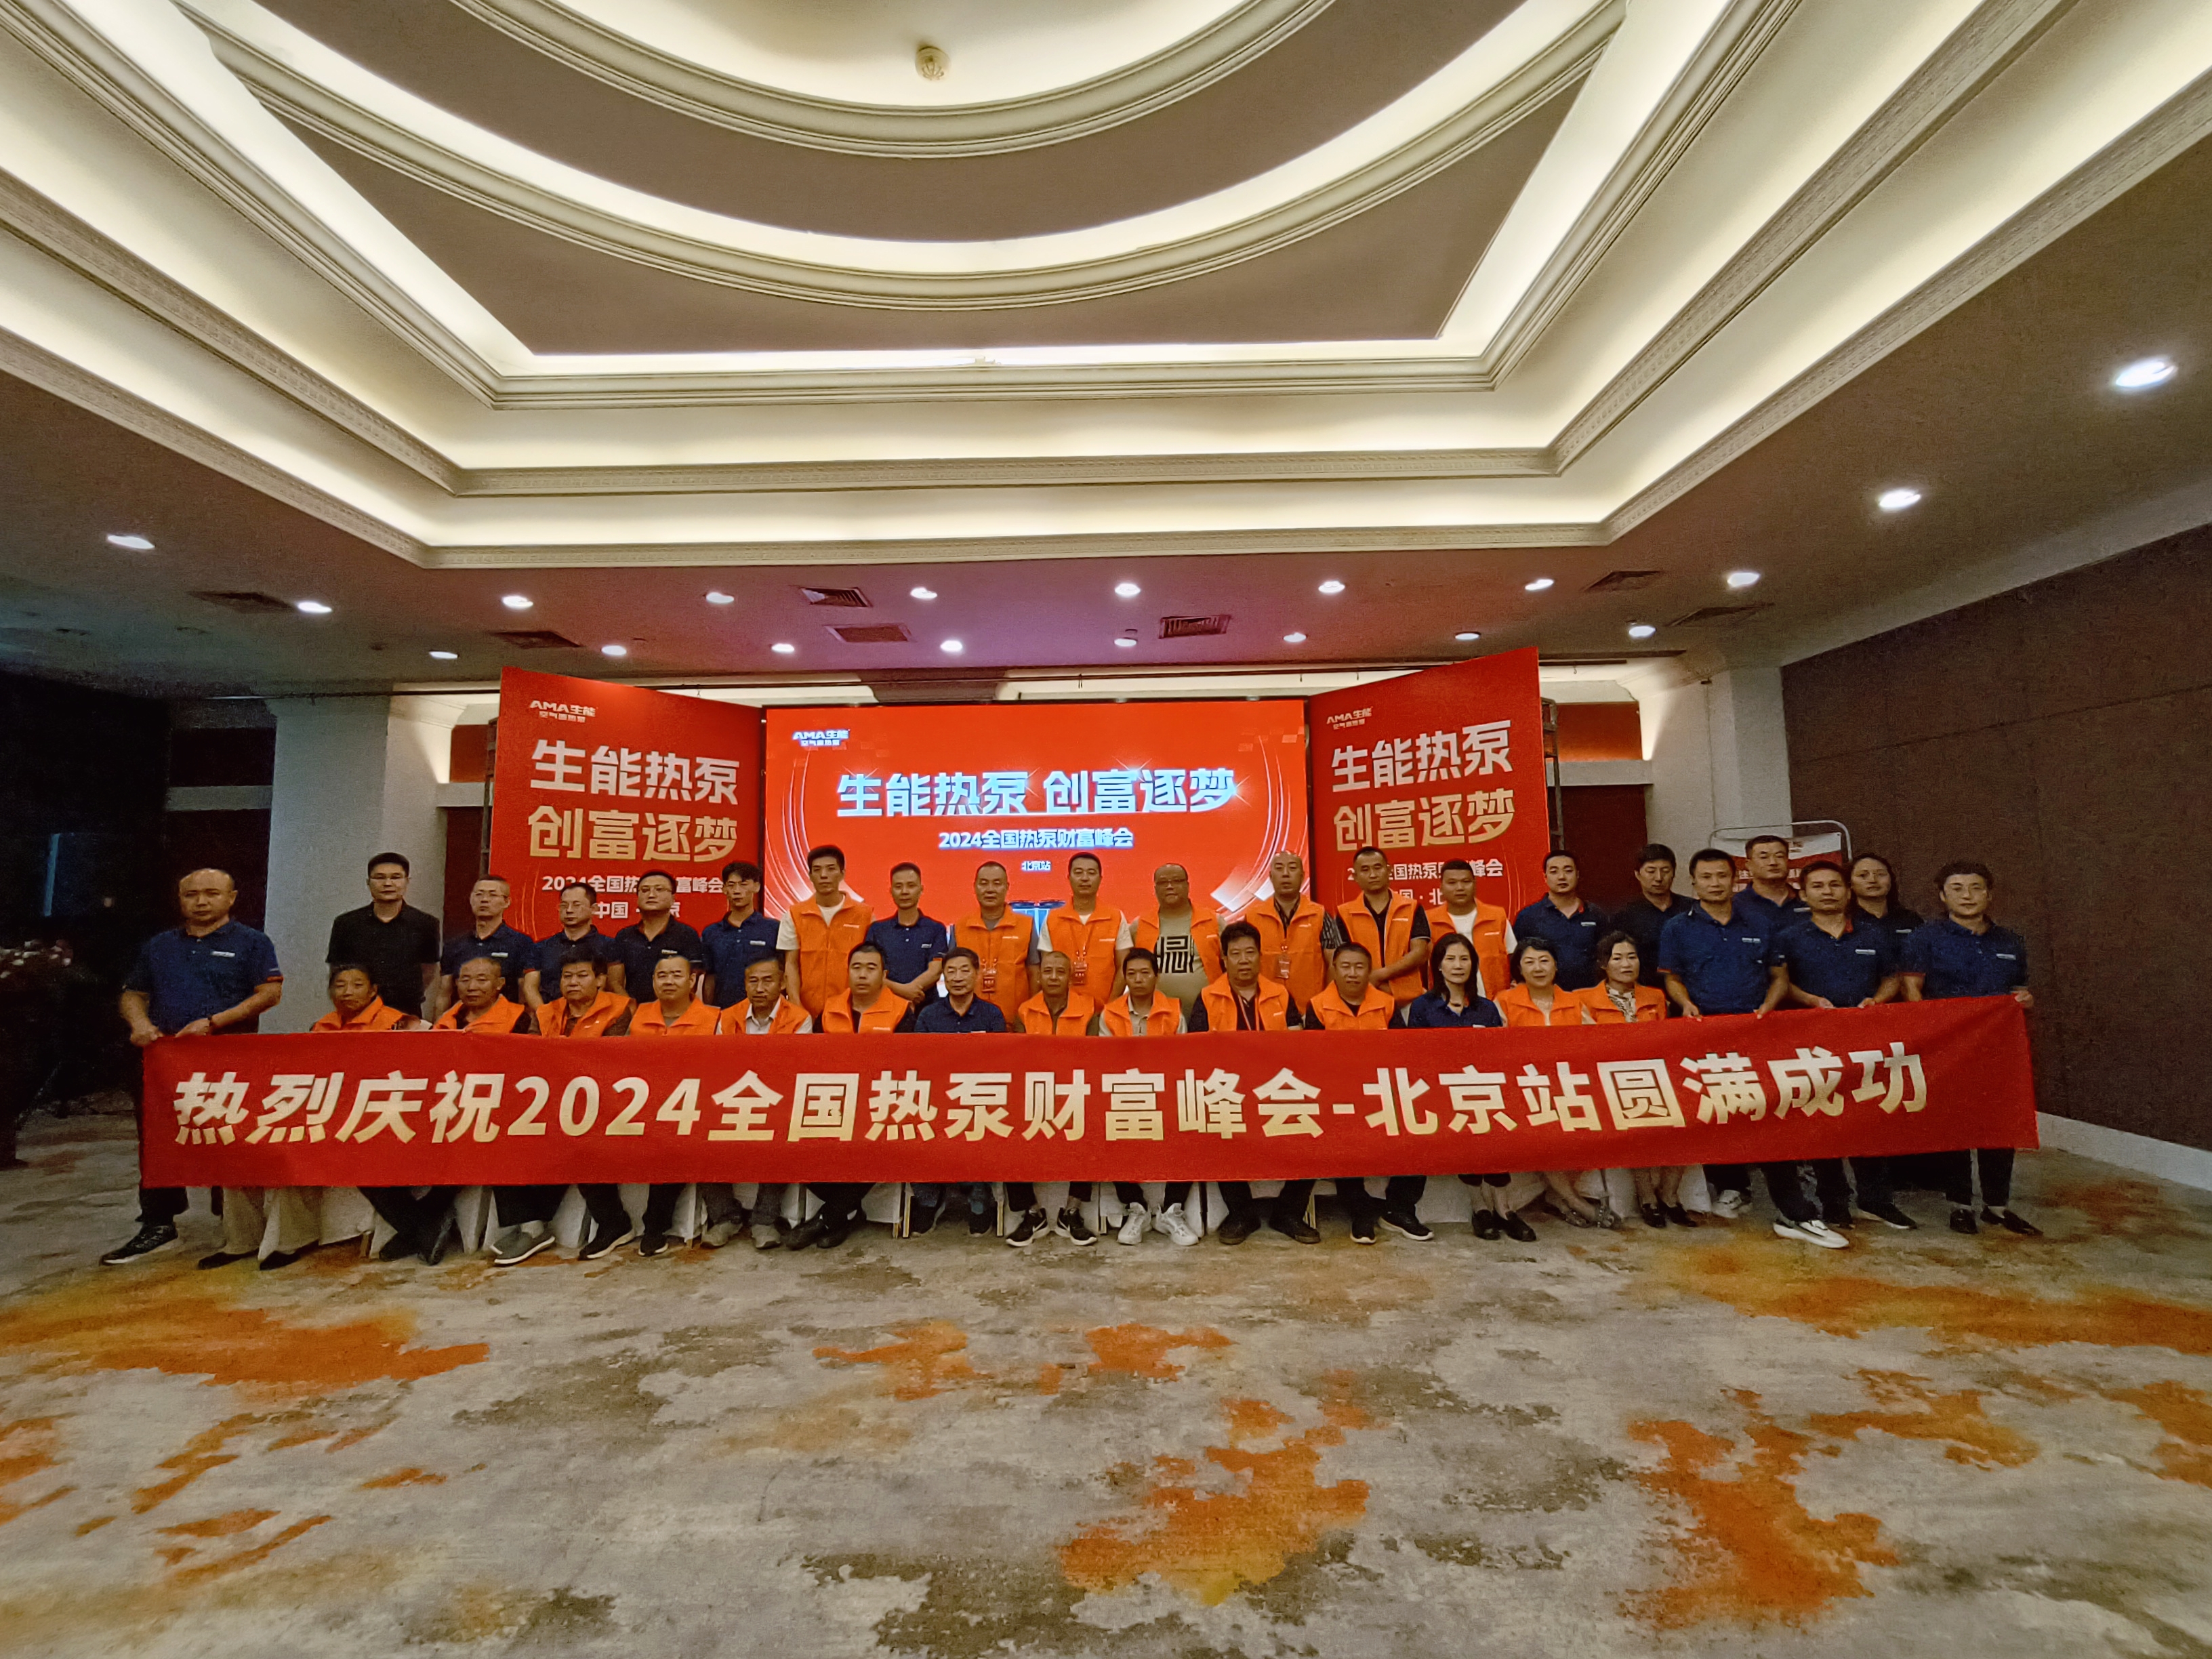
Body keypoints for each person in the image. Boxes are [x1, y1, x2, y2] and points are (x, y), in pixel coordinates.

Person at [1660, 851, 1845, 1250]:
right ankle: (1733, 1189)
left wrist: (1768, 1007)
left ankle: (1795, 1212)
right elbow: (1672, 977)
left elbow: (1779, 976)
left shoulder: (1761, 923)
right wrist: (1685, 1003)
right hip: (1704, 1038)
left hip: (1756, 1036)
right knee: (1715, 1116)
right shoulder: (1677, 928)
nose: (1715, 884)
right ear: (1693, 883)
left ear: (1735, 880)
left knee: (1769, 1117)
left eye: (1721, 876)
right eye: (1706, 877)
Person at [103, 868, 283, 1266]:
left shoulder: (252, 942)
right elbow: (133, 994)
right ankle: (158, 1222)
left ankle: (236, 1225)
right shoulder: (159, 945)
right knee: (158, 1139)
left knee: (230, 1134)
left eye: (212, 893)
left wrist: (215, 1022)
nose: (201, 901)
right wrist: (140, 1024)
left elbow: (270, 993)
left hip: (228, 1058)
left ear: (231, 898)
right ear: (180, 899)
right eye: (191, 894)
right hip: (166, 1061)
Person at [205, 963, 419, 1273]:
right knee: (244, 1147)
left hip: (372, 1119)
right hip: (320, 1112)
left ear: (374, 990)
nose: (347, 992)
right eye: (340, 985)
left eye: (357, 985)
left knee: (293, 1154)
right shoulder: (321, 1026)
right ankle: (241, 1240)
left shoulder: (400, 1025)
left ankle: (289, 1240)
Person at [1902, 861, 2039, 1237]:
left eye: (1976, 888)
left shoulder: (2010, 941)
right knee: (1956, 1125)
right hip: (1949, 1048)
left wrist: (2025, 1001)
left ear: (1989, 895)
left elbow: (2019, 991)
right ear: (1943, 896)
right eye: (1957, 889)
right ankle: (1959, 1204)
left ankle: (1997, 1206)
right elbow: (1912, 989)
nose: (1967, 896)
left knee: (2000, 1124)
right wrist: (1930, 1035)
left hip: (1998, 1048)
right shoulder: (1925, 938)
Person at [1775, 861, 1914, 1231]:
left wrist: (1878, 1000)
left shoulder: (1874, 934)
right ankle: (1834, 1202)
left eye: (1835, 885)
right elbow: (1780, 982)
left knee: (1869, 1117)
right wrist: (1809, 1000)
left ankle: (1876, 1200)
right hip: (1814, 1044)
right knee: (1825, 1120)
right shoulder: (1789, 937)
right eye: (1818, 886)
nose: (1828, 892)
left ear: (1848, 891)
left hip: (1865, 1041)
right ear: (1804, 895)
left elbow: (1892, 978)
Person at [491, 949, 634, 1266]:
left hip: (601, 1102)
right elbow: (531, 1056)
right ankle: (531, 1226)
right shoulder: (547, 1012)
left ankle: (614, 1223)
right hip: (549, 1099)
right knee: (498, 1133)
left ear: (600, 980)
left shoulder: (620, 1009)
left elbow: (613, 1060)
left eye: (582, 976)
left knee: (579, 1136)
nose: (573, 982)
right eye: (567, 976)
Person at [1168, 920, 1298, 1248]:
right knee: (1215, 1125)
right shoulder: (1208, 997)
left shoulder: (1281, 994)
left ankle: (1289, 1212)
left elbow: (1299, 1045)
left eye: (1249, 953)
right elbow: (1196, 1051)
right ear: (1224, 959)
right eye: (1235, 954)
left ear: (1260, 956)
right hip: (1229, 1090)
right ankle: (1241, 1213)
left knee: (1309, 1125)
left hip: (1275, 1087)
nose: (1243, 960)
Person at [1494, 938, 1616, 1233]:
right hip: (1524, 1089)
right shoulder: (1504, 1002)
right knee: (1545, 1127)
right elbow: (1497, 1049)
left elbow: (1595, 1044)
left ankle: (1557, 1196)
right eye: (1529, 962)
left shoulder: (1574, 1001)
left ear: (1556, 966)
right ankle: (1575, 1202)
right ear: (1519, 969)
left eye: (1544, 961)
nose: (1538, 968)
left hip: (1568, 1087)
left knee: (1595, 1125)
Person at [623, 955, 737, 1258]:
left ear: (692, 981)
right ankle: (615, 1224)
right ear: (653, 982)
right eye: (662, 976)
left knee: (675, 1142)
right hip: (642, 1107)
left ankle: (655, 1227)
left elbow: (726, 1070)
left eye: (676, 975)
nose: (669, 981)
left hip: (697, 1108)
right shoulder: (638, 1015)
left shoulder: (715, 1018)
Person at [1580, 933, 1684, 1229]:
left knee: (1689, 1117)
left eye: (1632, 957)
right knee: (1637, 1116)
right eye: (1617, 958)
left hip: (1656, 1074)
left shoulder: (1656, 997)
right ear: (1603, 964)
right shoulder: (1584, 999)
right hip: (1611, 1079)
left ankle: (1670, 1195)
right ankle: (1647, 1197)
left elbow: (1666, 1041)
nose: (1626, 964)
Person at [1005, 950, 1100, 1248]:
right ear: (1040, 976)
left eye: (1061, 971)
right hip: (1035, 1092)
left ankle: (1071, 1212)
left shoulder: (1090, 1008)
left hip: (1077, 1091)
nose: (1054, 977)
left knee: (1092, 1128)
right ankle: (1032, 1213)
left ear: (1070, 976)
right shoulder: (1025, 1011)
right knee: (1004, 1131)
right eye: (1048, 971)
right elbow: (1019, 1060)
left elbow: (1096, 1056)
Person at [912, 947, 1008, 1238]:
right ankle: (928, 1198)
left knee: (984, 1124)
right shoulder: (929, 1015)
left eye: (965, 970)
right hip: (936, 1097)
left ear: (977, 974)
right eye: (950, 972)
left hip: (979, 1098)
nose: (957, 977)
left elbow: (1000, 1065)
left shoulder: (992, 1015)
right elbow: (918, 1063)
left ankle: (979, 1196)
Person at [325, 851, 440, 1019]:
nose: (388, 884)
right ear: (368, 883)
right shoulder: (346, 924)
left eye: (396, 877)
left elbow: (428, 971)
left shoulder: (426, 924)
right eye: (380, 878)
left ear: (407, 881)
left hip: (405, 1012)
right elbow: (337, 970)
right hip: (357, 1012)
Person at [781, 844, 873, 1021]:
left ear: (842, 874)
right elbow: (791, 965)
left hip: (851, 1011)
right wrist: (797, 1006)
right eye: (817, 870)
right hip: (807, 1011)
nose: (824, 875)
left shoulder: (865, 915)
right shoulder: (794, 914)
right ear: (810, 876)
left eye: (831, 869)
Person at [1329, 846, 1428, 1007]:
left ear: (1389, 871)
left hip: (1410, 1000)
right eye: (1365, 870)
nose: (1373, 875)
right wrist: (1377, 986)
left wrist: (1380, 975)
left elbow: (1420, 953)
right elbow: (1344, 960)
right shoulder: (1344, 913)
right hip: (1365, 999)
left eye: (1377, 868)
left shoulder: (1412, 907)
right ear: (1355, 876)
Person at [430, 875, 533, 1021]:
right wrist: (438, 1027)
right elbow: (444, 994)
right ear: (471, 899)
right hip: (462, 1024)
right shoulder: (455, 944)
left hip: (504, 1024)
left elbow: (525, 994)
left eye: (492, 895)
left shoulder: (521, 943)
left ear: (506, 902)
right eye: (479, 895)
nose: (484, 900)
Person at [1239, 851, 1330, 1010]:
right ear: (1271, 876)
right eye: (1279, 868)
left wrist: (1324, 1004)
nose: (1286, 874)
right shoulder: (1252, 917)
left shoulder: (1320, 915)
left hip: (1310, 1008)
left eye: (1292, 868)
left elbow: (1334, 962)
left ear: (1302, 876)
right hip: (1265, 1007)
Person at [1130, 863, 1221, 1017]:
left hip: (1208, 1011)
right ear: (1155, 889)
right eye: (1163, 882)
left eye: (1177, 881)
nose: (1170, 887)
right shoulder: (1139, 925)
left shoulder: (1214, 921)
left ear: (1188, 886)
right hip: (1155, 1015)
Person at [954, 861, 1036, 1024]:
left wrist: (1030, 1016)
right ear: (975, 887)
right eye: (984, 883)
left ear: (1007, 887)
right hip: (969, 1021)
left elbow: (1035, 974)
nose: (990, 889)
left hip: (1015, 1021)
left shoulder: (1026, 925)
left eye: (997, 883)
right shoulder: (960, 927)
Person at [1511, 850, 1605, 991]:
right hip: (1544, 995)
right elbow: (1516, 958)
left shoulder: (1595, 914)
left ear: (1578, 875)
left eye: (1568, 871)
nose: (1562, 877)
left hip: (1589, 993)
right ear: (1545, 877)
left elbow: (1606, 956)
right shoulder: (1529, 917)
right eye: (1554, 872)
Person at [612, 869, 705, 1004]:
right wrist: (629, 1007)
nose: (651, 895)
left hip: (672, 1010)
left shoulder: (686, 935)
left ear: (673, 898)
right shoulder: (625, 936)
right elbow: (615, 982)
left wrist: (659, 1011)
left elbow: (692, 982)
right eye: (645, 890)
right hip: (631, 1011)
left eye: (659, 889)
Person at [1045, 852, 1126, 1005]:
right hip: (1063, 1009)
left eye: (1091, 873)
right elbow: (1046, 968)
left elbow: (1124, 967)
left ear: (1100, 879)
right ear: (1069, 878)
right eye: (1078, 872)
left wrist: (1111, 1007)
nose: (1085, 878)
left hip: (1104, 1009)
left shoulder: (1116, 917)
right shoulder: (1053, 918)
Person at [522, 882, 619, 1009]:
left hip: (597, 1016)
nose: (569, 910)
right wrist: (545, 1015)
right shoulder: (541, 948)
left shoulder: (609, 945)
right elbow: (530, 987)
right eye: (564, 906)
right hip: (549, 1014)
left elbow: (615, 986)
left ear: (594, 909)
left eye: (576, 905)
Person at [1425, 858, 1511, 1000]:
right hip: (1446, 1003)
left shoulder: (1497, 917)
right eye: (1452, 883)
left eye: (1466, 882)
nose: (1460, 888)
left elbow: (1513, 957)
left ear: (1475, 884)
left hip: (1495, 1001)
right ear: (1441, 887)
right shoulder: (1428, 921)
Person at [864, 862, 948, 1006]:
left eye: (911, 886)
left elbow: (936, 970)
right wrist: (905, 991)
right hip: (885, 1007)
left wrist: (912, 990)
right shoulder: (877, 930)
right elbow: (870, 971)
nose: (904, 892)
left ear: (921, 889)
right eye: (898, 886)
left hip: (927, 1007)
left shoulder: (936, 929)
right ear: (891, 891)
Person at [700, 859, 781, 1008]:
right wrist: (710, 1011)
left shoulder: (774, 928)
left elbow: (784, 973)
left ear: (756, 887)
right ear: (724, 889)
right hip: (724, 1011)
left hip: (764, 1012)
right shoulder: (712, 932)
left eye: (743, 884)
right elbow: (710, 977)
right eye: (731, 885)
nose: (737, 891)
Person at [1610, 844, 1689, 995]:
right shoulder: (1624, 916)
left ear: (1674, 873)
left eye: (1665, 871)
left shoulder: (1691, 909)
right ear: (1638, 874)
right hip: (1644, 993)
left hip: (1689, 991)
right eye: (1651, 871)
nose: (1659, 878)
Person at [819, 940, 913, 1033]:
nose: (862, 975)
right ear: (848, 972)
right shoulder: (830, 1010)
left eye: (871, 968)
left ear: (884, 975)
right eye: (856, 968)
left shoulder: (901, 1011)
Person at [432, 954, 535, 1033]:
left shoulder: (518, 1018)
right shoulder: (450, 1017)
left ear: (500, 983)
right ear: (456, 983)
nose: (471, 987)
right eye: (465, 980)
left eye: (482, 980)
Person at [1848, 853, 1925, 953]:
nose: (1873, 880)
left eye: (1880, 874)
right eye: (1863, 875)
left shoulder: (1910, 919)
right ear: (1850, 883)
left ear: (1891, 880)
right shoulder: (1846, 922)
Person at [1099, 948, 1184, 1036]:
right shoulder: (1110, 1014)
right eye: (1131, 974)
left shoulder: (1174, 1013)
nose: (1138, 980)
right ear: (1125, 978)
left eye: (1145, 973)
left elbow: (1183, 1045)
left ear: (1157, 977)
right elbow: (1105, 1045)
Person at [1737, 834, 1811, 930]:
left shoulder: (1809, 902)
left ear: (1788, 861)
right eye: (1764, 857)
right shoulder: (1734, 906)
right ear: (1749, 865)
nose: (1773, 862)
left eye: (1779, 856)